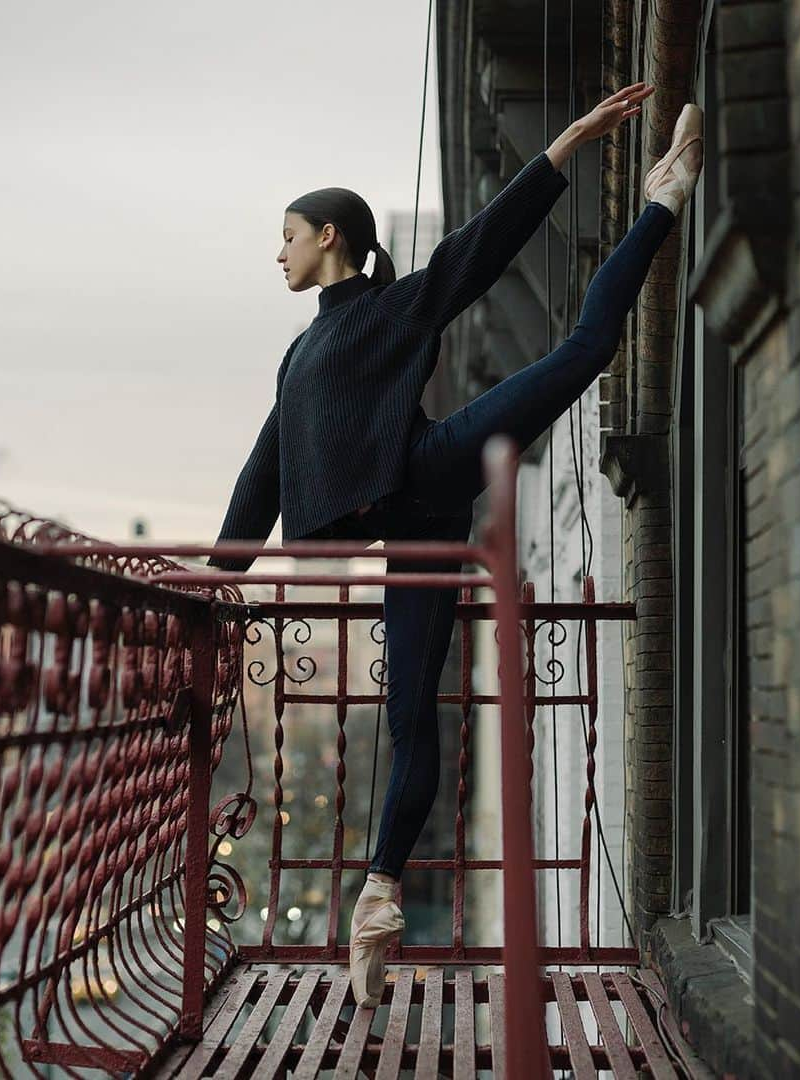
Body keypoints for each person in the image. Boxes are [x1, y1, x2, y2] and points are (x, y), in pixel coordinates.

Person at [206, 87, 704, 1008]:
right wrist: (214, 581)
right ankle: (380, 901)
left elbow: (476, 253)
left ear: (329, 237)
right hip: (417, 529)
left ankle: (665, 196)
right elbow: (261, 474)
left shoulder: (388, 308)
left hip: (431, 471)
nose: (277, 251)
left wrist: (560, 148)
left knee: (586, 350)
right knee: (409, 724)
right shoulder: (297, 358)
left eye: (288, 234)